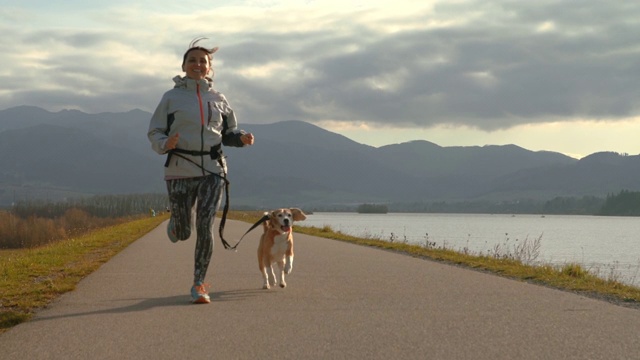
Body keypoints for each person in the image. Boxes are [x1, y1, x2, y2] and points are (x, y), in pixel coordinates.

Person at [148, 37, 255, 304]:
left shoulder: (219, 98)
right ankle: (177, 223)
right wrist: (165, 143)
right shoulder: (171, 98)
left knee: (205, 225)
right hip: (179, 169)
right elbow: (155, 130)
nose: (198, 64)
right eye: (192, 60)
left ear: (209, 68)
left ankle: (199, 284)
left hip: (213, 170)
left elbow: (227, 132)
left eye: (203, 61)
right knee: (184, 232)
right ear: (184, 66)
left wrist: (240, 138)